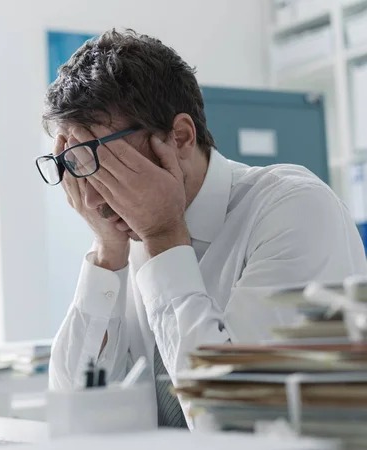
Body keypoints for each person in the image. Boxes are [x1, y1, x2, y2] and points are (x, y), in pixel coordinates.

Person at [35, 29, 367, 428]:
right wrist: (107, 251)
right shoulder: (126, 236)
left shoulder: (295, 208)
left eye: (107, 162)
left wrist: (163, 236)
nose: (91, 200)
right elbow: (76, 415)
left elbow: (237, 422)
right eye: (75, 166)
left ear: (180, 137)